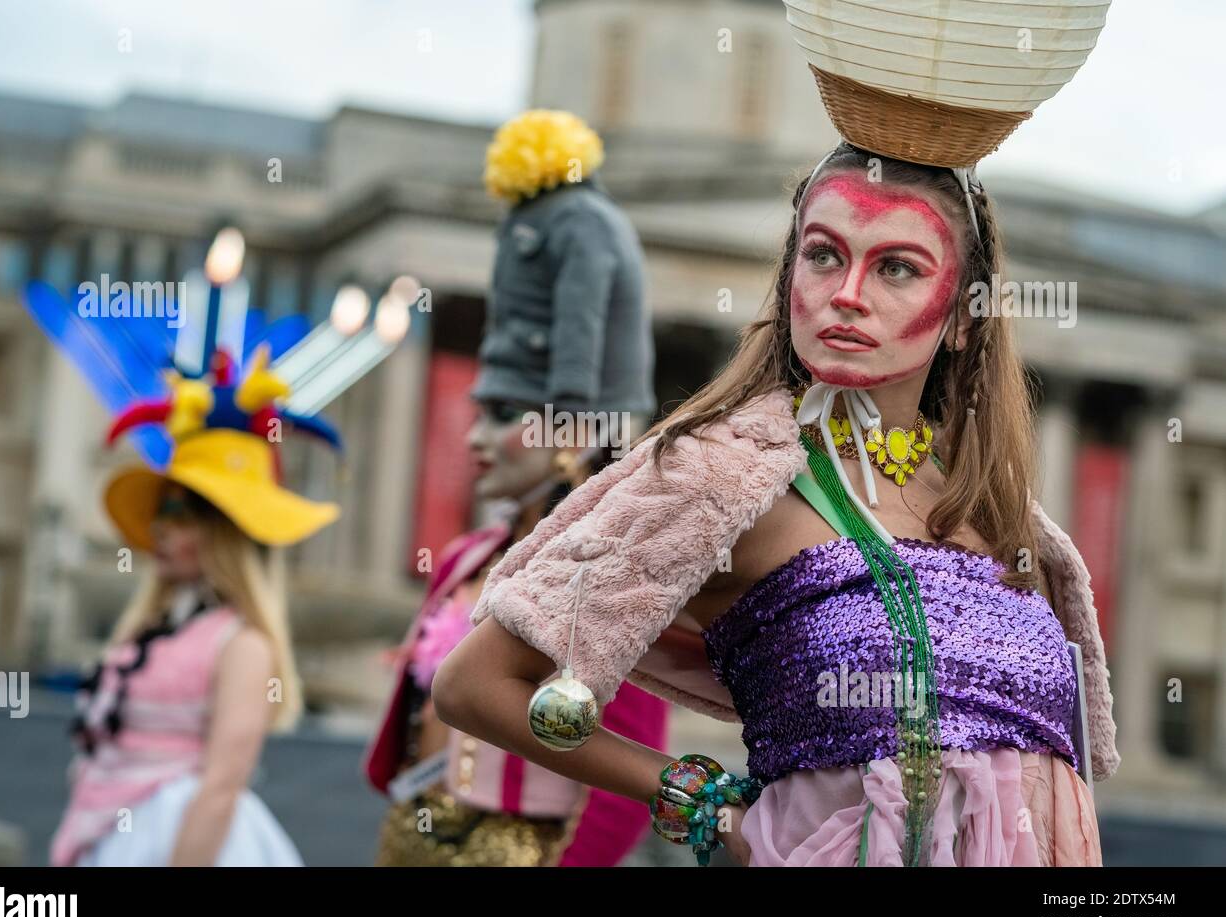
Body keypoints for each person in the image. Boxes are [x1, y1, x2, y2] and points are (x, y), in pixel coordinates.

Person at [431, 141, 1119, 867]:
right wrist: (704, 805)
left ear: (962, 318)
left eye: (896, 268)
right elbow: (476, 684)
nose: (847, 292)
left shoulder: (998, 511)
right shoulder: (719, 474)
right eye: (823, 255)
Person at [363, 108, 668, 866]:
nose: (471, 437)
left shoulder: (618, 569)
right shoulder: (471, 555)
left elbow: (631, 770)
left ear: (571, 430)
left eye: (502, 414)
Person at [49, 348, 340, 866]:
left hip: (183, 845)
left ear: (222, 531)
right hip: (109, 838)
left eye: (183, 514)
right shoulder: (151, 627)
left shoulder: (244, 644)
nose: (161, 528)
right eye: (163, 511)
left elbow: (221, 787)